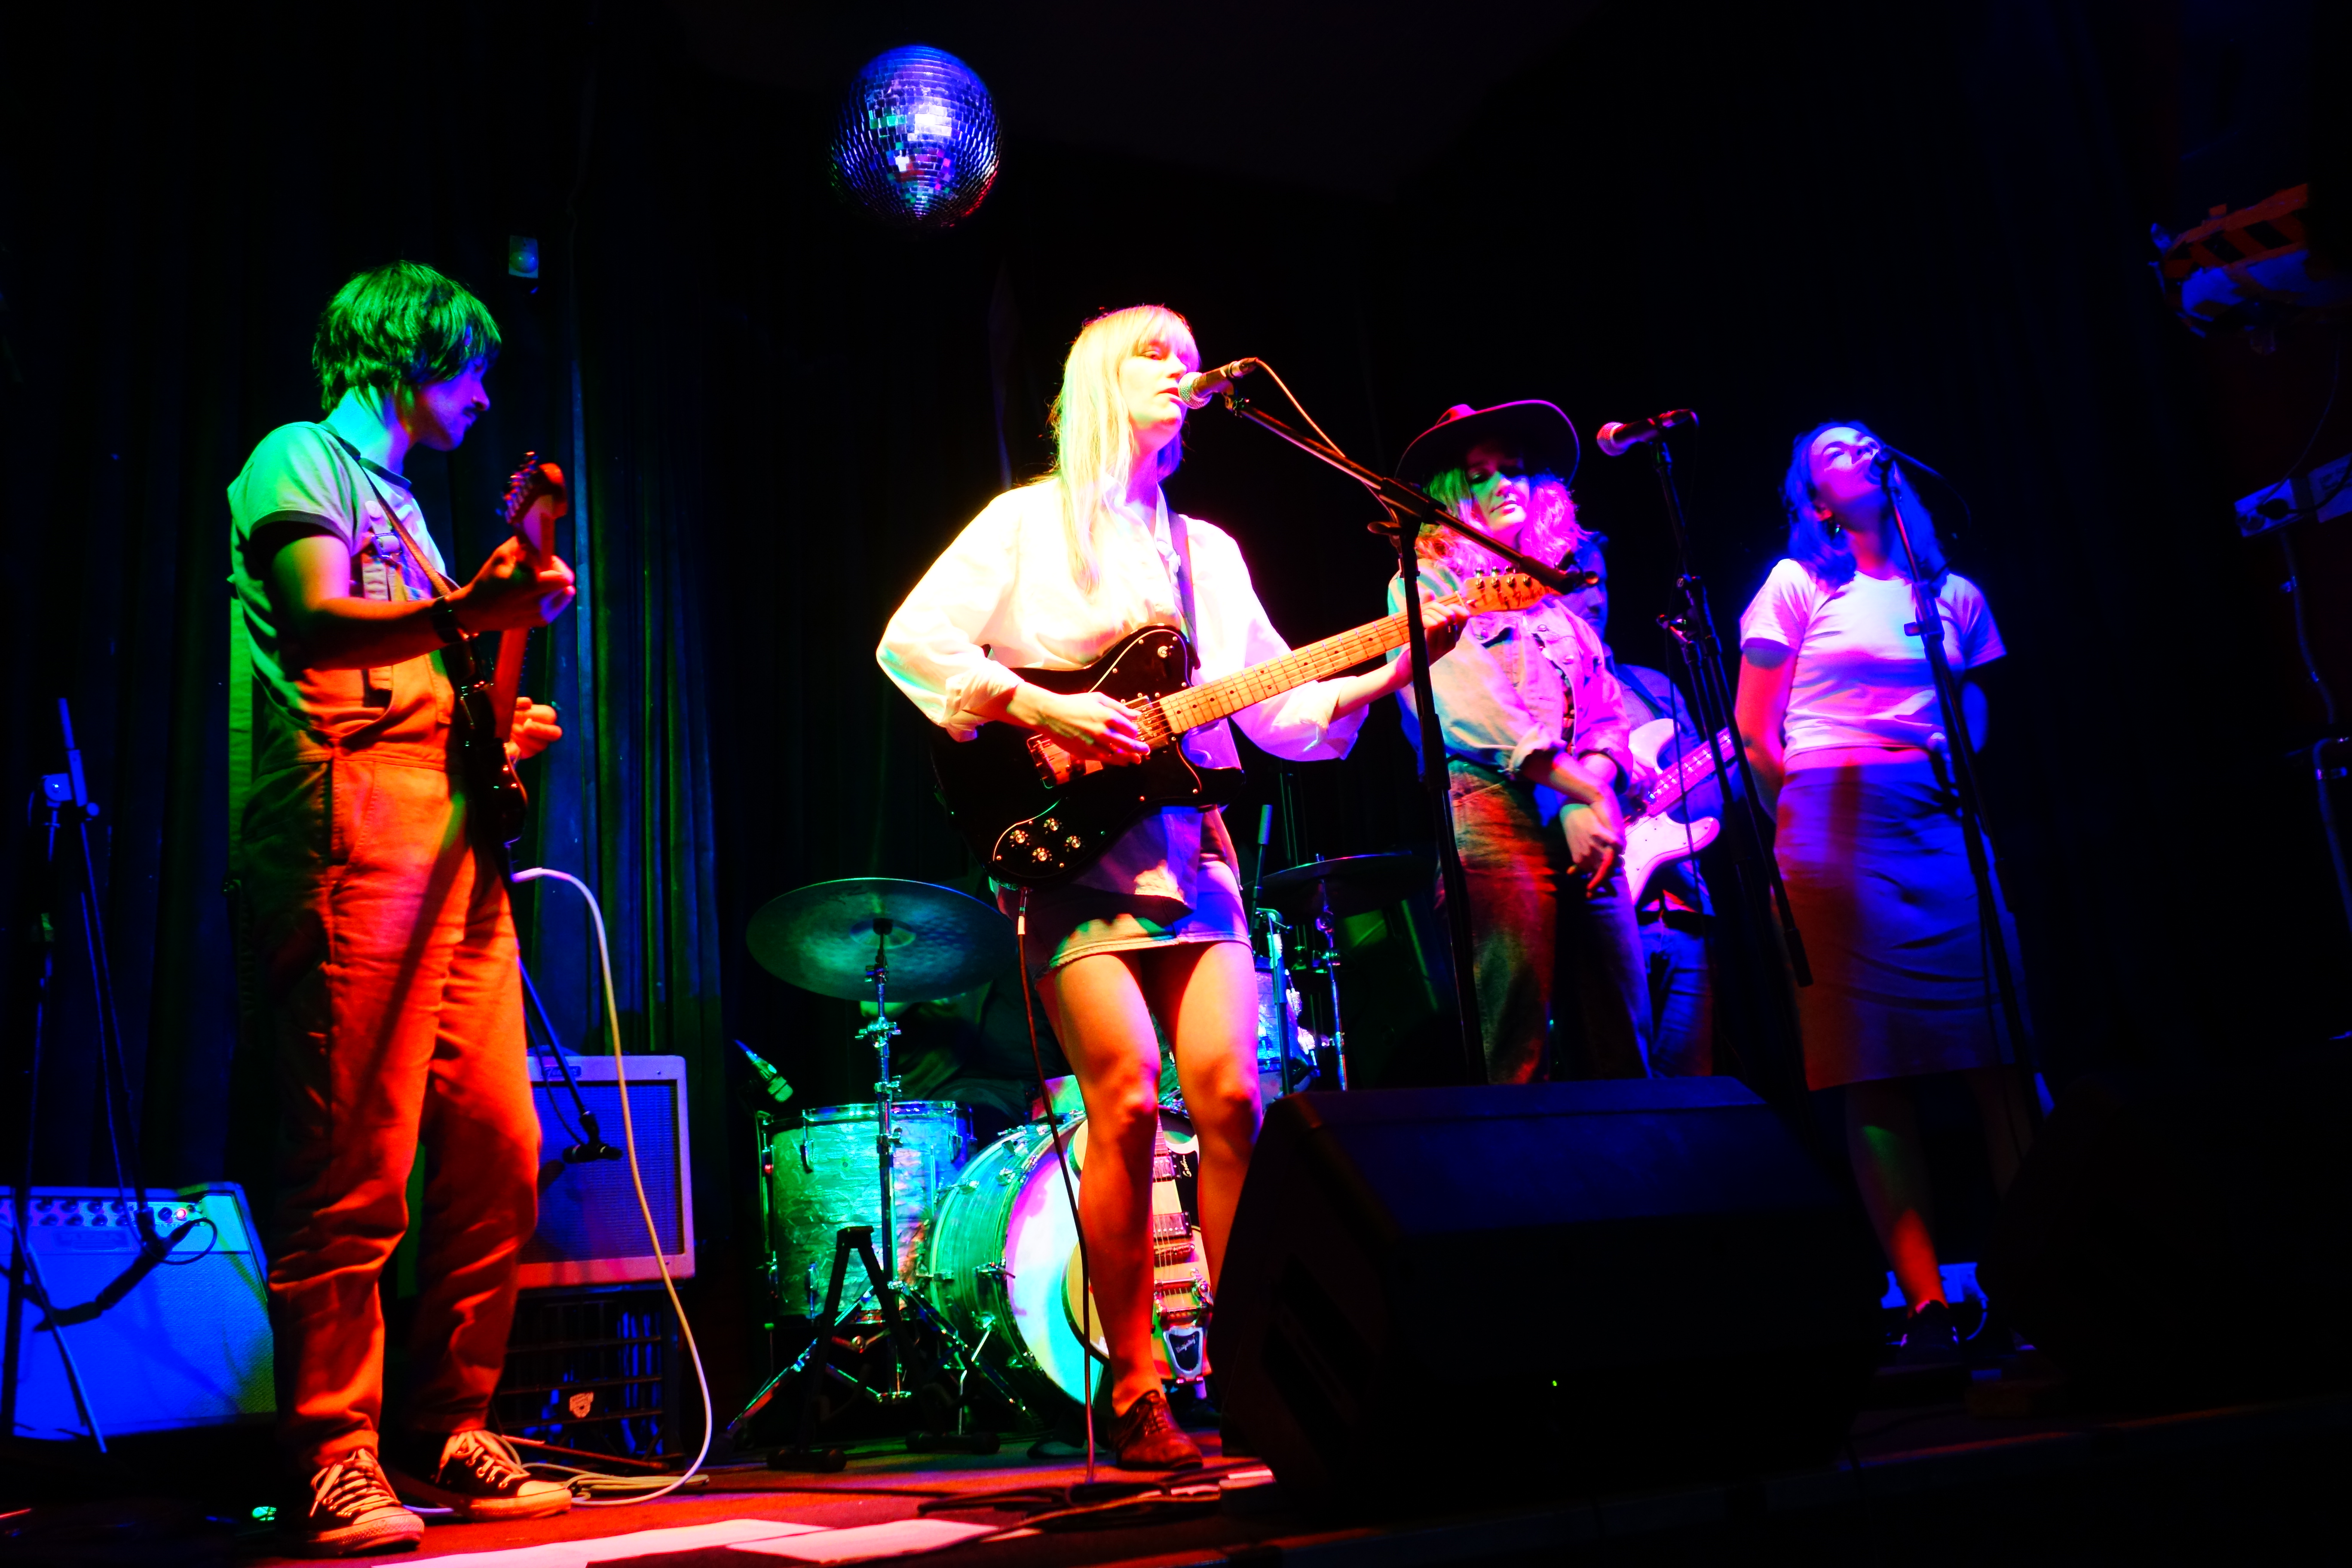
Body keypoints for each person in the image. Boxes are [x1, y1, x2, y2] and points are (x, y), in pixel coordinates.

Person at [877, 306, 1465, 1467]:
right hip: (1070, 856)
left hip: (1191, 849)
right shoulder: (1023, 522)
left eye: (1190, 357)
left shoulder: (1206, 550)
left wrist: (1392, 669)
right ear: (1100, 377)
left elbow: (1276, 708)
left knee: (1234, 1100)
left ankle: (1246, 1365)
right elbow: (914, 643)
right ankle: (1135, 1384)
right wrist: (1044, 708)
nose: (1182, 370)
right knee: (1128, 1102)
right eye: (1155, 353)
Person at [228, 261, 578, 1554]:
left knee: (499, 1146)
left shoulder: (414, 513)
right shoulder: (298, 459)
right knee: (354, 1158)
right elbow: (321, 627)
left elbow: (420, 667)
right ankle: (334, 1452)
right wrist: (478, 607)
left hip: (450, 847)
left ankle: (455, 1424)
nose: (483, 397)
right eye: (469, 369)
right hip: (351, 836)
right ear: (404, 357)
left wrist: (492, 725)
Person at [1733, 420, 2037, 1361]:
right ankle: (1925, 1303)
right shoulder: (1797, 585)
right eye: (1834, 450)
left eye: (1866, 439)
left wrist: (1959, 749)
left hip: (1939, 821)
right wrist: (1807, 814)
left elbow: (1974, 691)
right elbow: (1753, 730)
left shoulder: (1952, 595)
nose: (1859, 449)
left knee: (2000, 1053)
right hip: (1833, 822)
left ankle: (2036, 1278)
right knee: (1870, 1065)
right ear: (1815, 499)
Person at [1389, 402, 1650, 1086]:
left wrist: (1586, 794)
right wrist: (1582, 789)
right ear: (1451, 495)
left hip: (1578, 810)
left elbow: (1607, 713)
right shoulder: (1424, 586)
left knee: (1623, 1041)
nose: (1504, 483)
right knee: (1515, 1050)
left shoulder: (1556, 604)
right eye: (1479, 475)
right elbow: (1474, 708)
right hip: (1491, 810)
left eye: (1515, 469)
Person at [1556, 527, 1720, 1077]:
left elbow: (1714, 799)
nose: (1596, 597)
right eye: (1578, 583)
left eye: (1601, 582)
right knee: (1618, 1089)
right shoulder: (1545, 692)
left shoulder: (1651, 685)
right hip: (1599, 914)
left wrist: (1724, 761)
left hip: (1683, 913)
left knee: (1693, 1098)